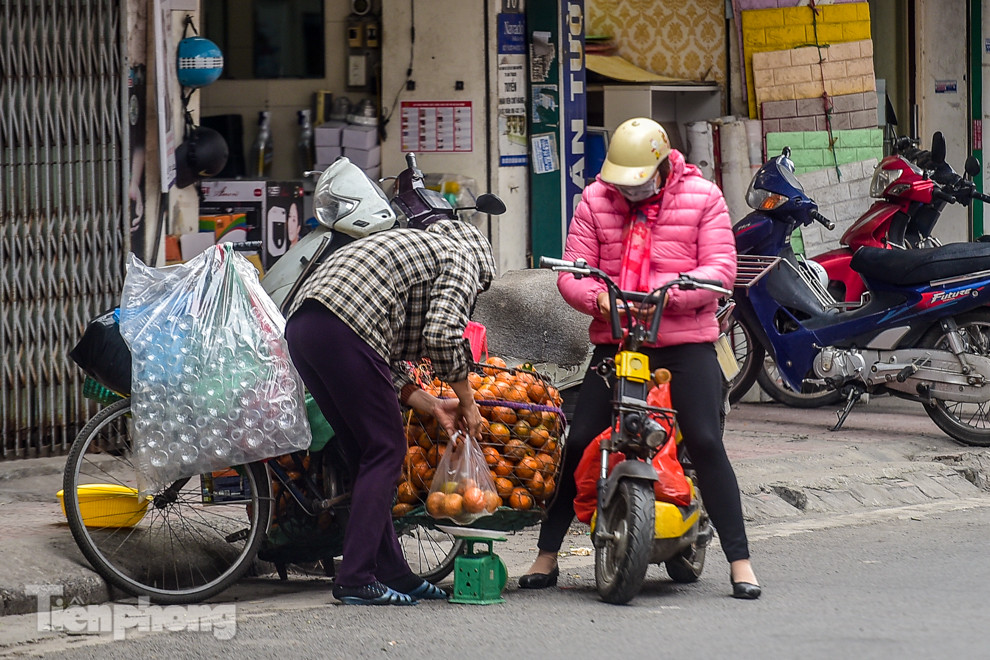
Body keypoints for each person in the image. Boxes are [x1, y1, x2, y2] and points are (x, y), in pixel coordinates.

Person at [520, 117, 761, 600]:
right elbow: (574, 272)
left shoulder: (704, 198)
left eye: (638, 183)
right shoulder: (594, 200)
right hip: (617, 343)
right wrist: (598, 299)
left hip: (684, 341)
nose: (627, 193)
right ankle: (546, 556)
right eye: (619, 184)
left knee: (705, 440)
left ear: (662, 167)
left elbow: (720, 269)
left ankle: (741, 561)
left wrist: (664, 297)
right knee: (583, 437)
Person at [284, 218, 496, 605]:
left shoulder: (413, 248)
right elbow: (444, 334)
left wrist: (433, 404)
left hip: (305, 329)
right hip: (344, 329)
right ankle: (355, 577)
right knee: (386, 451)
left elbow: (383, 361)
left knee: (365, 455)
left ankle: (392, 571)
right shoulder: (462, 258)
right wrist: (468, 402)